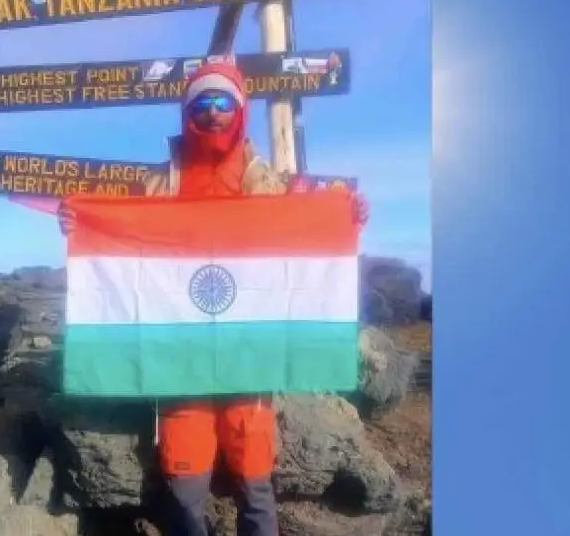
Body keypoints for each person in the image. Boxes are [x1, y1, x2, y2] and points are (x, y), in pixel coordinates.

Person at [58, 62, 369, 536]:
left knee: (255, 480)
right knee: (185, 484)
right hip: (181, 357)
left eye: (223, 101)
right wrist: (79, 223)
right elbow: (125, 242)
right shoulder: (159, 183)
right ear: (186, 112)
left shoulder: (270, 184)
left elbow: (308, 237)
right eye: (201, 103)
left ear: (241, 109)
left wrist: (348, 217)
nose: (213, 112)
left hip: (251, 353)